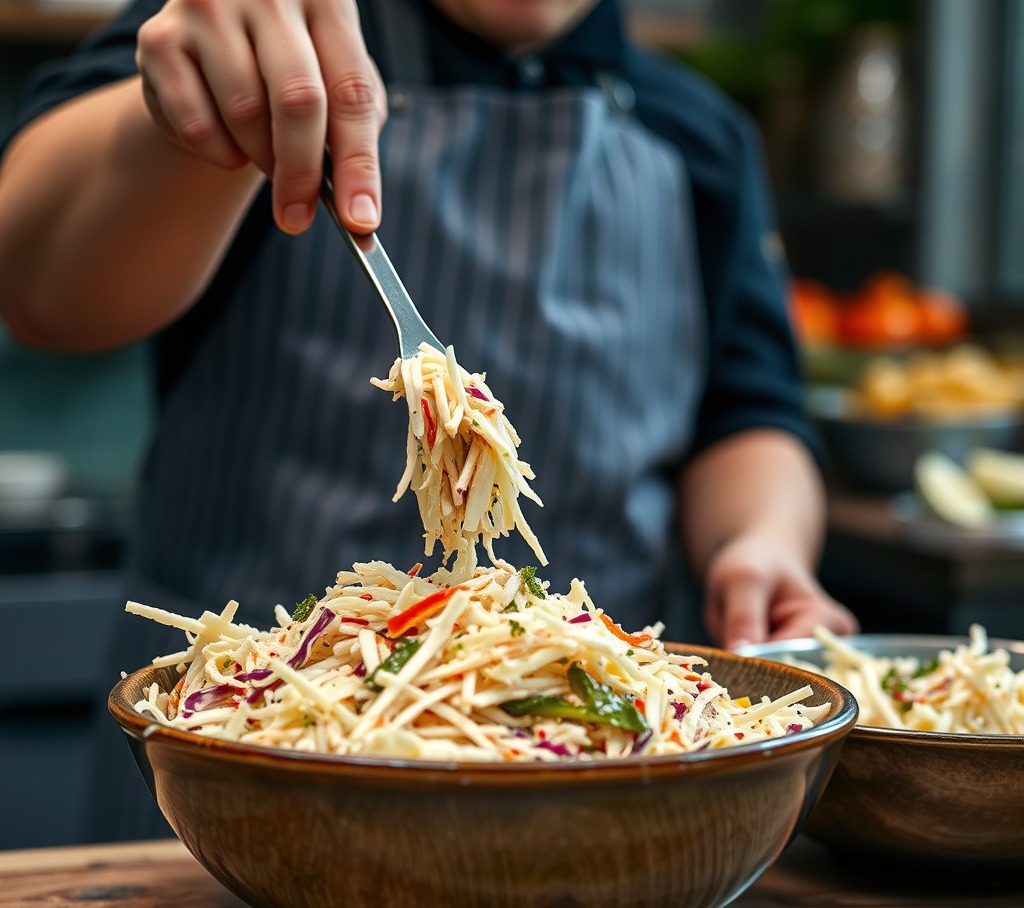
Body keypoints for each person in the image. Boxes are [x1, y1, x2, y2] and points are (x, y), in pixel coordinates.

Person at [0, 0, 857, 839]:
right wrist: (182, 128)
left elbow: (746, 412)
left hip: (596, 774)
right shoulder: (261, 27)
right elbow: (37, 291)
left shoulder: (698, 134)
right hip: (239, 755)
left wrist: (761, 543)